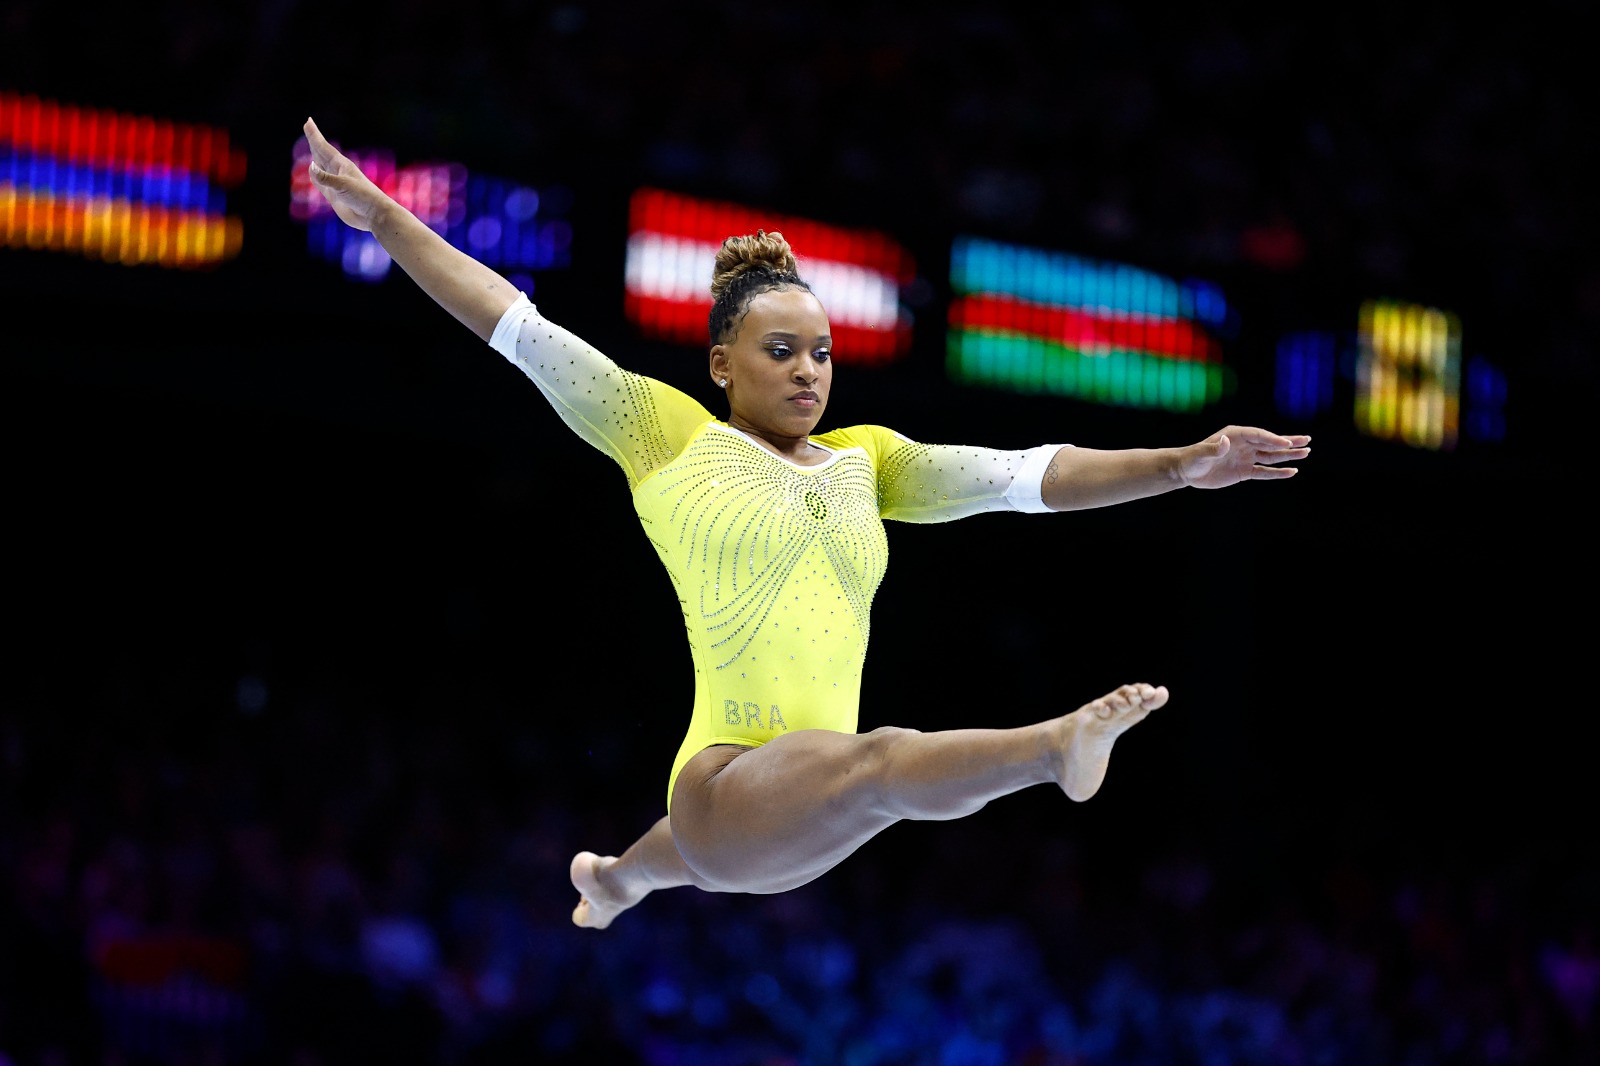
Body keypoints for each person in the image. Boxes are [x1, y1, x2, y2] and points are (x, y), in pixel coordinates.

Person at [301, 116, 1311, 930]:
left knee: (837, 780)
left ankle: (616, 879)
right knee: (880, 761)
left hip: (790, 817)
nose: (806, 370)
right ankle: (1052, 748)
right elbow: (512, 322)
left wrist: (1182, 464)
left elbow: (1030, 475)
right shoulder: (664, 434)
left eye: (821, 353)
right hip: (725, 784)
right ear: (720, 364)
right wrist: (384, 217)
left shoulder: (870, 463)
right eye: (779, 350)